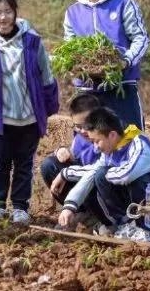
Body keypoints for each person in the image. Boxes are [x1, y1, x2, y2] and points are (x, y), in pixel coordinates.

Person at [0, 0, 59, 225]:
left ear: (15, 12)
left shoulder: (32, 40)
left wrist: (49, 106)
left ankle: (20, 206)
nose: (3, 17)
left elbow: (46, 74)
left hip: (29, 116)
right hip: (2, 118)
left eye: (7, 12)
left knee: (24, 165)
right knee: (1, 164)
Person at [57, 106, 150, 243]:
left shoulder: (139, 144)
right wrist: (70, 205)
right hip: (148, 207)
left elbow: (127, 175)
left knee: (134, 178)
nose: (95, 147)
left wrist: (104, 173)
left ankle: (149, 231)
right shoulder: (110, 152)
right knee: (99, 175)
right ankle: (126, 226)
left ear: (112, 135)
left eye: (96, 141)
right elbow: (91, 174)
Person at [64, 0, 150, 130]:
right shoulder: (73, 12)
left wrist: (125, 61)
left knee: (130, 138)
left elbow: (141, 38)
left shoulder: (123, 4)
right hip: (87, 90)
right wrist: (73, 65)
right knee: (88, 146)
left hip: (121, 86)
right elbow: (69, 47)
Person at [40, 92, 104, 229]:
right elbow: (75, 159)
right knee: (49, 165)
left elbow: (101, 169)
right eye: (77, 126)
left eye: (86, 125)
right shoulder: (80, 139)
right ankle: (81, 214)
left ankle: (103, 219)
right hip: (84, 186)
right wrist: (62, 152)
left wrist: (66, 173)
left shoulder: (107, 138)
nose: (82, 131)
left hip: (103, 189)